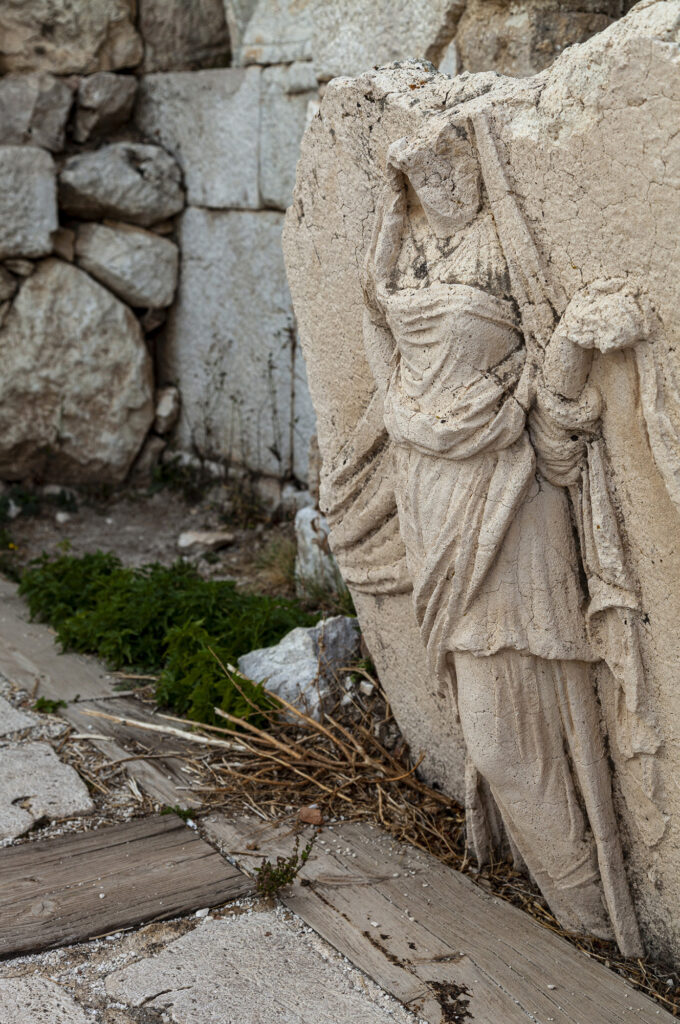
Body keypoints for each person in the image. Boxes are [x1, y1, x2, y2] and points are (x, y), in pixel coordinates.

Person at [359, 114, 653, 956]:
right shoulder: (406, 254)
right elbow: (378, 308)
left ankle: (592, 918)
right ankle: (580, 913)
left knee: (508, 736)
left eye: (453, 171)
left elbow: (557, 436)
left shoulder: (504, 256)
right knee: (485, 720)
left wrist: (573, 341)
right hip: (429, 494)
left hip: (510, 511)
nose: (442, 192)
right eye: (424, 182)